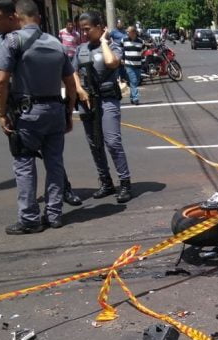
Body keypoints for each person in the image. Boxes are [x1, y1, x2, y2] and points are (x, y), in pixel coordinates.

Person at [0, 0, 77, 234]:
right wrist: (68, 112)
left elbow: (0, 81)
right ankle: (54, 214)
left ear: (18, 17)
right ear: (38, 17)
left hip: (27, 114)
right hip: (55, 112)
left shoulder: (13, 40)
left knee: (24, 164)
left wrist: (2, 113)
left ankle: (30, 219)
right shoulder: (56, 43)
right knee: (55, 163)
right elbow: (70, 83)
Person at [73, 11, 133, 203]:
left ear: (100, 27)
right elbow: (72, 71)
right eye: (82, 30)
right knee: (94, 144)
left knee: (112, 142)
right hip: (87, 102)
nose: (84, 33)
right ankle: (106, 182)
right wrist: (78, 89)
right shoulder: (80, 49)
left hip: (107, 100)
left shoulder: (113, 46)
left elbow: (111, 62)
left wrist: (105, 42)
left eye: (88, 29)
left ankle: (124, 183)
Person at [123, 26, 145, 105]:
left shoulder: (140, 41)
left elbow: (143, 50)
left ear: (134, 32)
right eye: (127, 32)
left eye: (129, 32)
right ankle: (136, 98)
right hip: (129, 65)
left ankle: (132, 97)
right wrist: (122, 59)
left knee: (135, 82)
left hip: (138, 65)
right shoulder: (124, 40)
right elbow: (121, 50)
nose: (127, 33)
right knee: (134, 81)